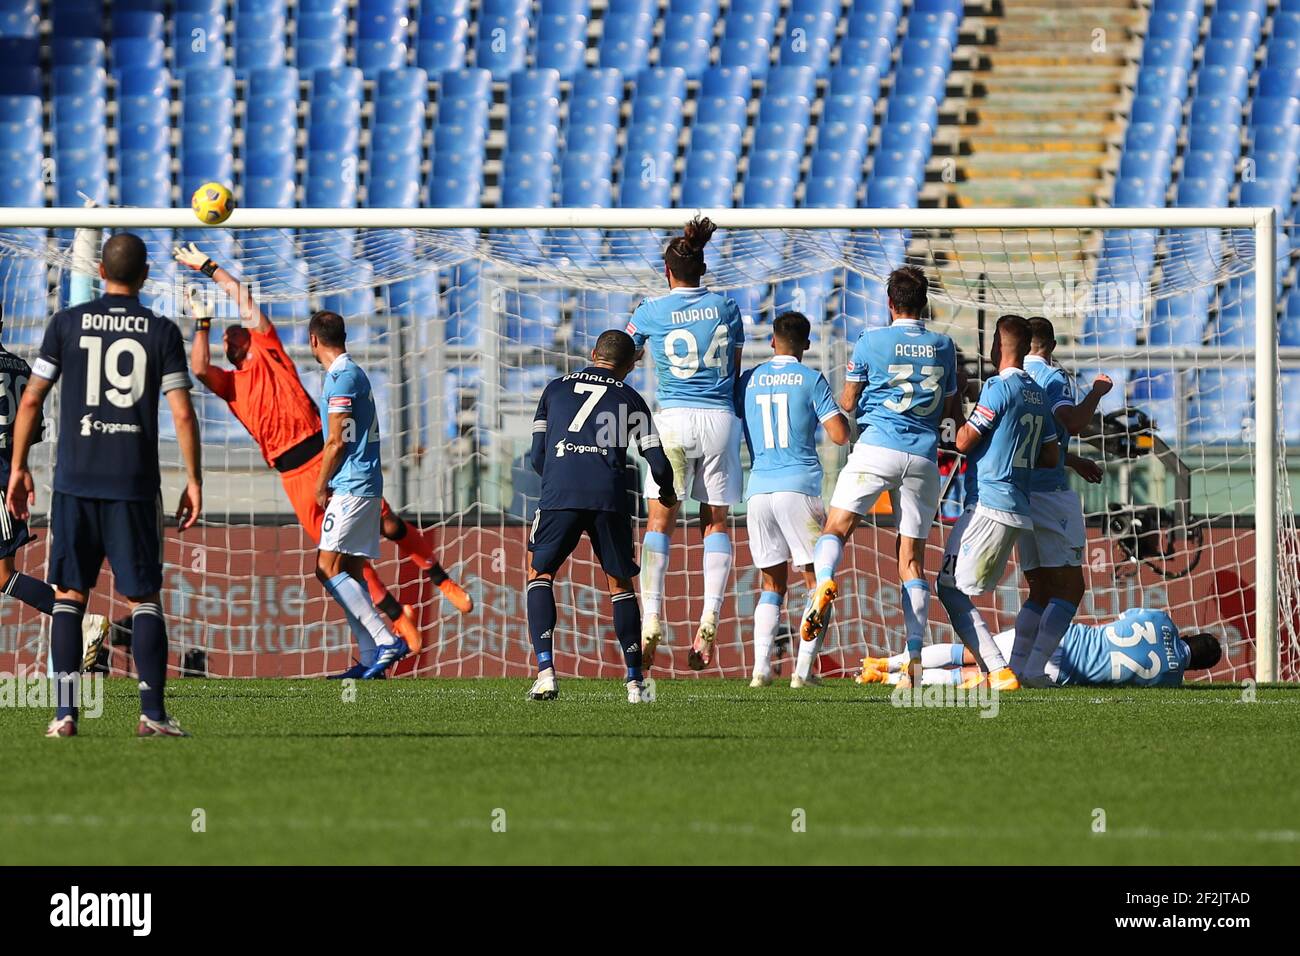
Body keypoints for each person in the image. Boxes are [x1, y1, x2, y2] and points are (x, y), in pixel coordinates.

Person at [175, 242, 472, 663]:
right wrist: (201, 322)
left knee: (386, 523)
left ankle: (440, 578)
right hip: (293, 475)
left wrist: (208, 267)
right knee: (340, 557)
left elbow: (242, 298)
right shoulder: (231, 384)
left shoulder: (270, 350)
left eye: (234, 330)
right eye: (224, 336)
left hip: (327, 454)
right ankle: (396, 621)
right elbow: (200, 368)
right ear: (228, 350)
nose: (232, 333)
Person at [7, 232, 203, 737]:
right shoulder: (160, 332)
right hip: (133, 484)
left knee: (69, 596)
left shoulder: (66, 323)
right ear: (144, 276)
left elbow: (31, 400)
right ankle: (153, 715)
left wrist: (18, 468)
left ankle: (65, 714)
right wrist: (194, 479)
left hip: (74, 481)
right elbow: (182, 412)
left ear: (100, 273)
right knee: (144, 600)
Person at [804, 266, 960, 685]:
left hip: (877, 447)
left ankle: (823, 583)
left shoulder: (871, 341)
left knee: (835, 529)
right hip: (924, 457)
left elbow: (849, 402)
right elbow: (950, 408)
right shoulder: (944, 346)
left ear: (890, 303)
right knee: (910, 560)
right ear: (923, 303)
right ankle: (913, 658)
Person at [525, 330, 676, 703]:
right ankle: (634, 684)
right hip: (609, 497)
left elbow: (535, 456)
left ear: (594, 353)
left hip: (560, 494)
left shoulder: (554, 389)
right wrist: (668, 493)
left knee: (539, 574)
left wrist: (557, 481)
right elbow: (657, 462)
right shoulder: (631, 398)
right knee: (619, 584)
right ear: (630, 366)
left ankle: (546, 673)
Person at [625, 216, 745, 671]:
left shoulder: (651, 310)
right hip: (718, 419)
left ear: (667, 271)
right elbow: (732, 368)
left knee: (660, 523)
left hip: (672, 421)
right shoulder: (727, 307)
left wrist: (637, 324)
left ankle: (652, 616)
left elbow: (627, 352)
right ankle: (709, 618)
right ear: (702, 268)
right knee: (715, 523)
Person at [936, 315, 1058, 690]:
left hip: (988, 502)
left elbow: (962, 442)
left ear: (998, 345)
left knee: (949, 588)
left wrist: (956, 401)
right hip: (1017, 506)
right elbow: (1051, 457)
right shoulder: (1037, 392)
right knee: (958, 587)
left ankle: (997, 669)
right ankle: (999, 668)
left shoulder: (996, 387)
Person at [737, 312, 849, 688]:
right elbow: (838, 436)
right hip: (797, 488)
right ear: (806, 344)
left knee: (771, 585)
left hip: (758, 492)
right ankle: (803, 672)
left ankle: (760, 669)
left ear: (772, 341)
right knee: (818, 584)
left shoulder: (748, 380)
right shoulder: (810, 378)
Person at [1011, 316, 1112, 683]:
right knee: (1071, 588)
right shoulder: (1053, 378)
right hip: (1051, 496)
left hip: (1019, 493)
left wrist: (1072, 458)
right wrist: (1098, 391)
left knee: (1040, 589)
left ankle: (1018, 667)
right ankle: (1036, 668)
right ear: (1050, 347)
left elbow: (1034, 440)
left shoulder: (1010, 379)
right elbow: (1070, 423)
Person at [307, 310, 406, 679]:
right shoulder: (351, 374)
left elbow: (335, 441)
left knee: (325, 567)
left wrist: (321, 486)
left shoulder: (342, 377)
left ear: (314, 340)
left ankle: (385, 639)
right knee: (348, 569)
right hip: (364, 484)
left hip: (351, 485)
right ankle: (370, 659)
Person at [857, 606, 1222, 687]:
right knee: (981, 677)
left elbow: (1121, 619)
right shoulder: (1169, 682)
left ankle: (887, 662)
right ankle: (888, 681)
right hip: (1059, 674)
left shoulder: (1160, 620)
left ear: (1189, 634)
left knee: (972, 653)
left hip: (1060, 637)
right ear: (1196, 670)